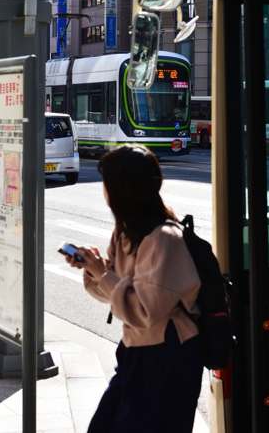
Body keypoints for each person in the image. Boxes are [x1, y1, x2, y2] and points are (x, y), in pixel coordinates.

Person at [64, 145, 202, 433]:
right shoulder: (126, 231)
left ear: (122, 188)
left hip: (168, 356)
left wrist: (103, 273)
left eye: (107, 182)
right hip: (136, 350)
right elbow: (112, 293)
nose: (102, 189)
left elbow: (143, 311)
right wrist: (94, 269)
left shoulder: (165, 238)